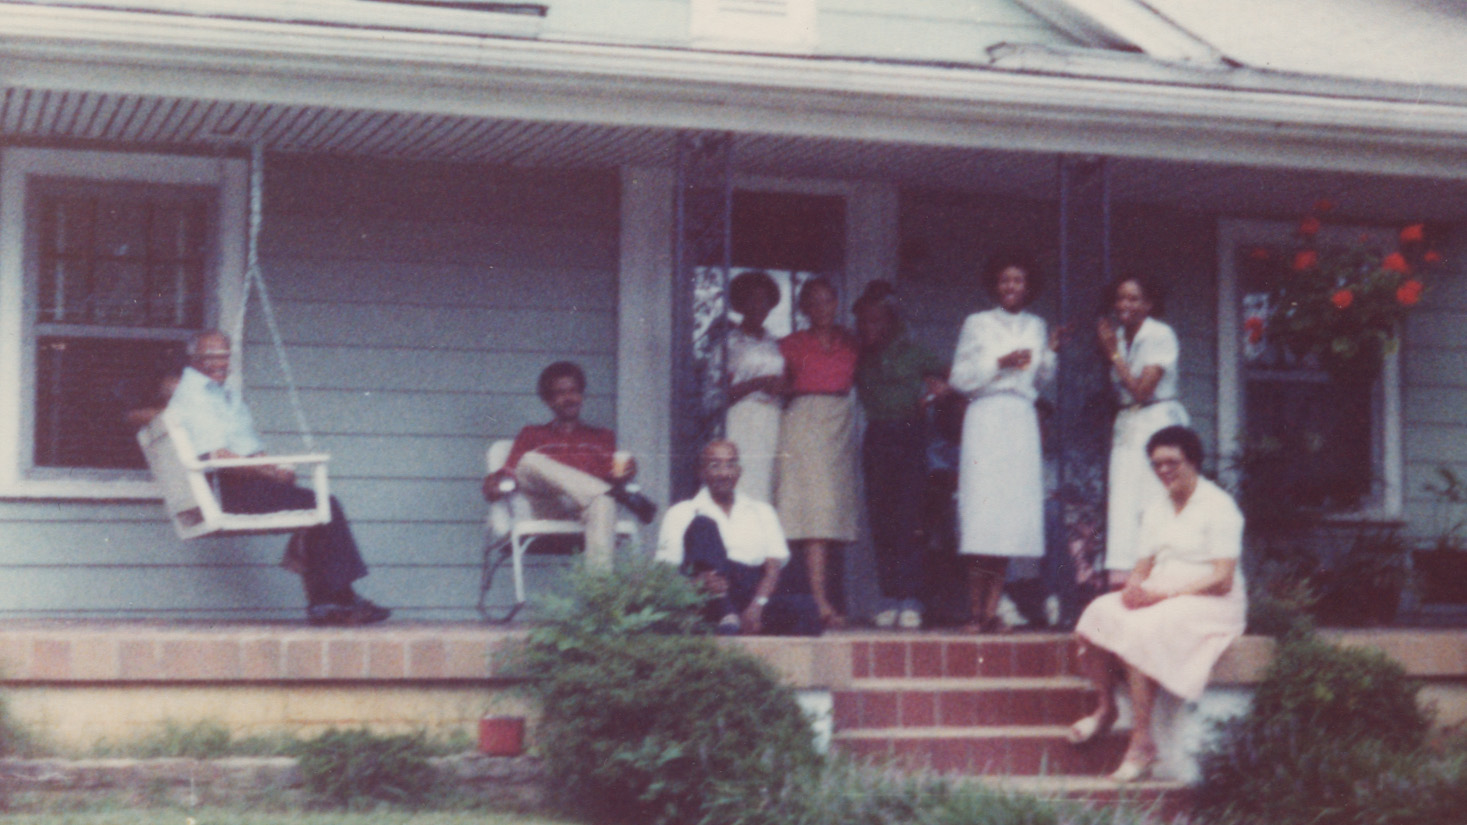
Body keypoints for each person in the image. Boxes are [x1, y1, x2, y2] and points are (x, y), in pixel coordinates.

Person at [164, 330, 390, 626]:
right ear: (194, 359)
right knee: (324, 507)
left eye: (224, 355)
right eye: (210, 356)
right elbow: (218, 457)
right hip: (228, 491)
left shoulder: (222, 394)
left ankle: (330, 603)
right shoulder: (194, 396)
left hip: (244, 483)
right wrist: (266, 470)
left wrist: (274, 470)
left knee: (314, 508)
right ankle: (335, 601)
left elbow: (247, 449)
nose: (219, 362)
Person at [1067, 426, 1246, 782]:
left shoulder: (1219, 506)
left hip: (1210, 600)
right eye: (1157, 464)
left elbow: (1222, 578)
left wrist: (1158, 595)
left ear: (1193, 461)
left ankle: (1142, 743)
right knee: (1097, 615)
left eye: (1172, 462)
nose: (1164, 470)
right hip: (1161, 591)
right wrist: (1134, 588)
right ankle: (1106, 709)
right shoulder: (1157, 508)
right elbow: (1143, 565)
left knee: (1141, 631)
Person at [948, 251, 1058, 633]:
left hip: (1019, 420)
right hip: (987, 417)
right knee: (983, 515)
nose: (1012, 287)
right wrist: (1000, 362)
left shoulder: (1037, 325)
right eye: (1005, 280)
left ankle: (992, 609)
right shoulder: (977, 323)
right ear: (995, 285)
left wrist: (1049, 353)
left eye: (1019, 280)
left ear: (1028, 287)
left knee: (1009, 519)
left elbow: (1038, 378)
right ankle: (974, 609)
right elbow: (960, 378)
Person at [483, 361, 656, 570]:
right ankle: (615, 494)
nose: (569, 398)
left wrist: (627, 471)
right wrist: (494, 483)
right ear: (548, 400)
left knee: (603, 502)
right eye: (559, 393)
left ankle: (599, 597)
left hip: (586, 510)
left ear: (581, 395)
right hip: (548, 505)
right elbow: (511, 473)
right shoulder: (532, 434)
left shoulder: (602, 437)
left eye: (574, 391)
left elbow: (613, 474)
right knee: (529, 461)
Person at [853, 281, 947, 630]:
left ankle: (911, 598)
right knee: (882, 519)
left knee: (909, 518)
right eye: (863, 321)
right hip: (877, 435)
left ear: (890, 321)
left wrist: (936, 391)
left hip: (910, 434)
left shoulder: (913, 350)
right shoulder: (859, 354)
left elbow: (949, 376)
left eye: (876, 321)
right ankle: (890, 596)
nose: (869, 328)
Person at [655, 440, 821, 636]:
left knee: (806, 608)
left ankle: (736, 621)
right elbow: (666, 574)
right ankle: (725, 612)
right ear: (701, 472)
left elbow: (773, 569)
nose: (724, 473)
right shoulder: (681, 512)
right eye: (715, 465)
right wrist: (698, 583)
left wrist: (757, 607)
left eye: (731, 464)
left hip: (751, 592)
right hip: (705, 595)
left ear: (739, 470)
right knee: (702, 525)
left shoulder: (762, 511)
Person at [775, 277, 861, 629]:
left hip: (840, 421)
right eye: (814, 302)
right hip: (805, 421)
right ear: (804, 308)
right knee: (813, 515)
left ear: (836, 303)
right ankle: (820, 601)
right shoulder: (790, 344)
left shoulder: (850, 341)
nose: (822, 308)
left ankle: (823, 599)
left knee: (832, 515)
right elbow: (774, 383)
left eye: (828, 301)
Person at [1097, 275, 1189, 587]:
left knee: (1154, 500)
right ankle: (1127, 581)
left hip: (1157, 424)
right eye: (1121, 298)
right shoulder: (1120, 337)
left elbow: (1142, 391)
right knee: (1125, 504)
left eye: (1134, 298)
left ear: (1149, 304)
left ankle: (1161, 578)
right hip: (1129, 426)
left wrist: (1113, 354)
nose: (1125, 305)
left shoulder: (1159, 334)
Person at [724, 270, 786, 502]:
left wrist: (783, 386)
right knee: (743, 485)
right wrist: (758, 383)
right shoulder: (728, 343)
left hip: (773, 421)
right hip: (742, 420)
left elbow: (787, 382)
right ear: (741, 304)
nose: (759, 306)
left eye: (765, 300)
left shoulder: (776, 343)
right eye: (752, 299)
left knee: (769, 487)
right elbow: (714, 396)